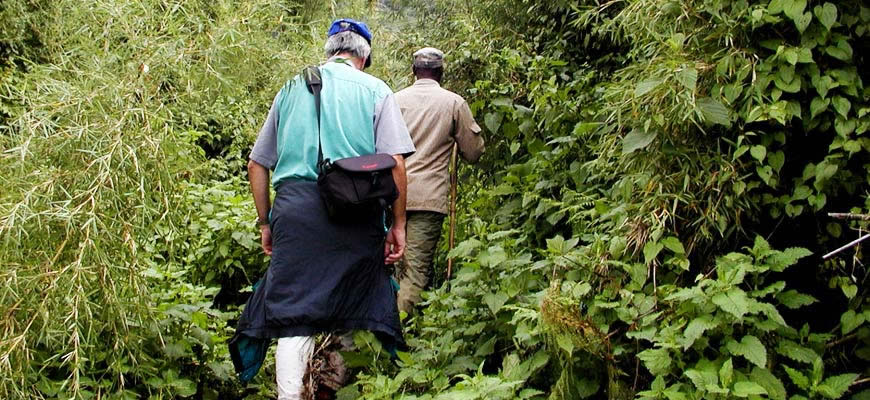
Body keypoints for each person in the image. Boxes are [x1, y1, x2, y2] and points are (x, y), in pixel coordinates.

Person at [235, 18, 415, 400]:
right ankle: (331, 388)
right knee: (355, 297)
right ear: (363, 57)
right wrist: (397, 225)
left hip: (295, 210)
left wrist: (266, 222)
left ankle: (290, 395)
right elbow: (396, 163)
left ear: (330, 51)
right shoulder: (376, 90)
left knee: (294, 311)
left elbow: (257, 164)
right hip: (356, 209)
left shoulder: (289, 88)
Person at [393, 47, 485, 314]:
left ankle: (377, 340)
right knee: (415, 271)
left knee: (388, 268)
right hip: (427, 199)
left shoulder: (394, 100)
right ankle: (401, 343)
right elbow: (473, 152)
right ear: (441, 72)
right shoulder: (453, 103)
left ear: (413, 71)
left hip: (389, 195)